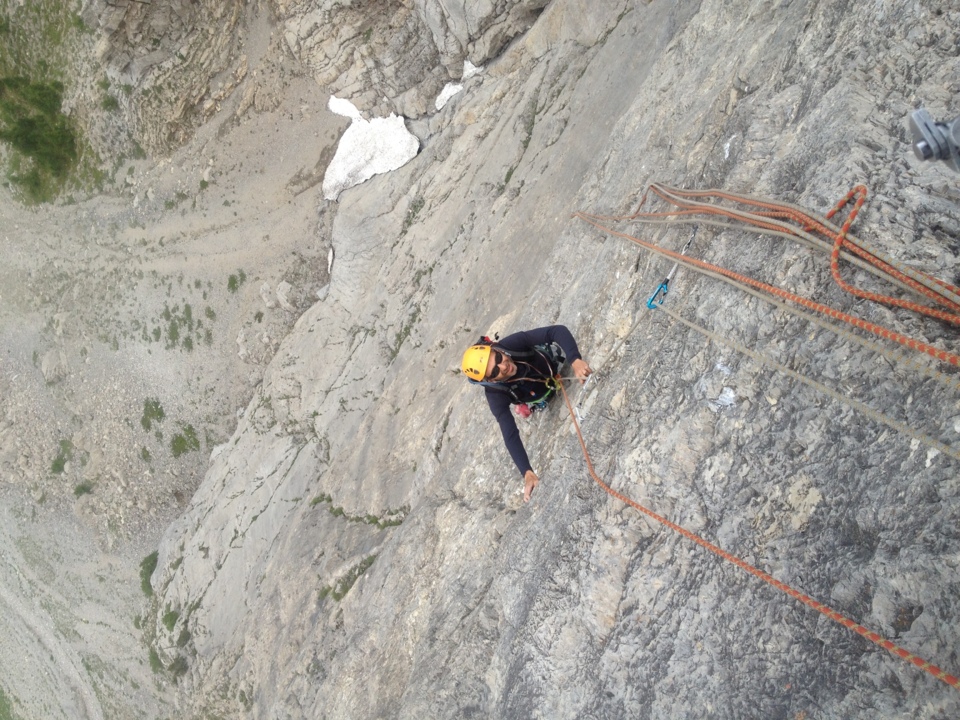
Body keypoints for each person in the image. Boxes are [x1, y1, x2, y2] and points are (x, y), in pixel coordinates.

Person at [461, 325, 593, 502]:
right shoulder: (495, 395)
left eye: (498, 358)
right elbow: (510, 434)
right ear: (490, 380)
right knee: (536, 401)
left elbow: (556, 331)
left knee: (551, 356)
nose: (503, 366)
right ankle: (528, 406)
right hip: (541, 394)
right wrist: (527, 471)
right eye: (494, 371)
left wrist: (575, 360)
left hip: (552, 365)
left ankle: (527, 405)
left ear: (496, 349)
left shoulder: (511, 345)